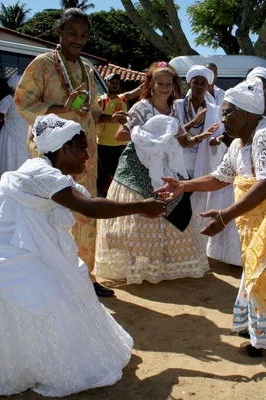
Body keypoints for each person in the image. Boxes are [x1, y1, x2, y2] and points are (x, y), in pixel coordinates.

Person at [0, 114, 167, 397]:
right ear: (63, 149)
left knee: (50, 289)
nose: (87, 154)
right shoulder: (40, 173)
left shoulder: (50, 173)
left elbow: (85, 201)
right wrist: (140, 207)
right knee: (35, 292)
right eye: (82, 148)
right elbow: (90, 208)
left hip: (19, 241)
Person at [155, 79, 266, 356]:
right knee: (261, 269)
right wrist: (183, 186)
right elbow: (220, 177)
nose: (222, 117)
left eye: (228, 112)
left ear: (248, 114)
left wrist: (224, 216)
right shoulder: (240, 142)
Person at [14, 8, 121, 296]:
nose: (78, 39)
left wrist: (111, 119)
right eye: (72, 33)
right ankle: (51, 275)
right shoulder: (43, 64)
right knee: (53, 209)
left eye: (83, 35)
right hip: (54, 155)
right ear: (58, 33)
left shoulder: (87, 68)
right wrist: (63, 109)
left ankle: (85, 275)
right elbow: (23, 101)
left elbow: (91, 110)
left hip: (83, 155)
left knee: (84, 211)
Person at [95, 61, 210, 284]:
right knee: (139, 218)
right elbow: (121, 135)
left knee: (172, 213)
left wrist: (200, 136)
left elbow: (181, 141)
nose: (165, 88)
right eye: (160, 83)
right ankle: (140, 268)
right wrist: (150, 134)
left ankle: (165, 266)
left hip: (167, 168)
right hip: (137, 167)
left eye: (169, 83)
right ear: (151, 84)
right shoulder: (141, 107)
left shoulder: (176, 108)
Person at [175, 65, 241, 266]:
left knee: (199, 204)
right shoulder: (177, 105)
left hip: (203, 162)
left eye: (204, 83)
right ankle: (177, 247)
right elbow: (175, 132)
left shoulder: (213, 110)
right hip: (180, 160)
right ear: (190, 83)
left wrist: (216, 141)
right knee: (178, 204)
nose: (200, 86)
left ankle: (196, 248)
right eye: (196, 82)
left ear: (208, 85)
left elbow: (221, 133)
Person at [97, 73, 142, 197]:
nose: (115, 84)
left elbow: (139, 90)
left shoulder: (123, 98)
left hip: (121, 145)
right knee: (104, 176)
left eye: (117, 81)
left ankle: (118, 198)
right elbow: (95, 118)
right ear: (107, 83)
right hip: (103, 145)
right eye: (112, 82)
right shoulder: (101, 101)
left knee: (120, 175)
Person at [0, 75, 30, 176]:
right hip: (11, 133)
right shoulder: (8, 99)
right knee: (12, 157)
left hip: (24, 132)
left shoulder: (27, 99)